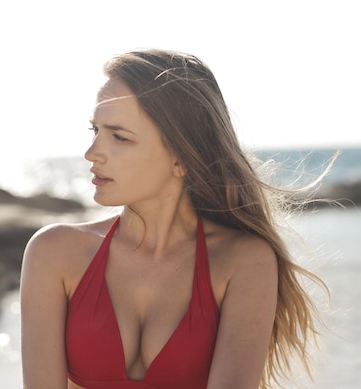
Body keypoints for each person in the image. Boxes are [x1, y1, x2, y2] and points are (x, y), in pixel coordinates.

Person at [20, 48, 327, 389]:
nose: (92, 153)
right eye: (95, 130)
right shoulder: (54, 252)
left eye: (119, 136)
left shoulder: (243, 262)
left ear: (182, 158)